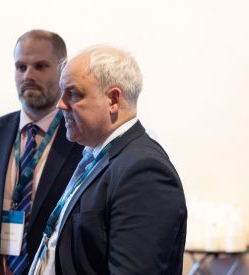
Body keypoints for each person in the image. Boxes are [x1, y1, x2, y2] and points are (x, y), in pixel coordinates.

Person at [28, 45, 187, 275]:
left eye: (73, 93)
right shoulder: (97, 156)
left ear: (113, 99)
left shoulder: (144, 171)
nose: (60, 104)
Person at [0, 30, 84, 275]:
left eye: (40, 66)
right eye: (21, 67)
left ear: (62, 71)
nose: (28, 75)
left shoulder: (80, 139)